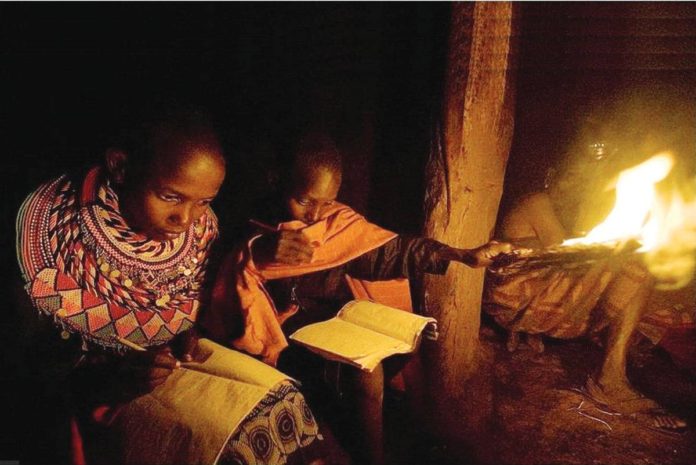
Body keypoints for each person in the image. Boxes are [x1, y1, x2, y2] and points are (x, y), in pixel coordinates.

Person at [15, 108, 325, 465]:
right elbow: (36, 382)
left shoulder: (199, 227)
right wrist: (112, 380)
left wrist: (183, 331)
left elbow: (196, 293)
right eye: (170, 197)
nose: (186, 219)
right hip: (93, 398)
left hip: (168, 368)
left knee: (284, 400)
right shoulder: (52, 243)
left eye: (204, 201)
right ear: (119, 167)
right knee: (239, 439)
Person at [204, 132, 512, 465]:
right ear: (276, 180)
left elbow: (394, 251)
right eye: (305, 201)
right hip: (278, 340)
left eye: (327, 201)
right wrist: (259, 251)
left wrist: (464, 256)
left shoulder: (336, 223)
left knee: (373, 366)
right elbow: (228, 276)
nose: (315, 214)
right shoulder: (249, 223)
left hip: (335, 329)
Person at [482, 153, 689, 432]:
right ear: (551, 175)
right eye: (569, 177)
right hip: (517, 300)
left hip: (535, 294)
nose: (573, 186)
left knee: (636, 269)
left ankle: (615, 360)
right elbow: (566, 255)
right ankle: (609, 378)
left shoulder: (553, 207)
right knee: (635, 267)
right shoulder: (537, 202)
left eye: (580, 180)